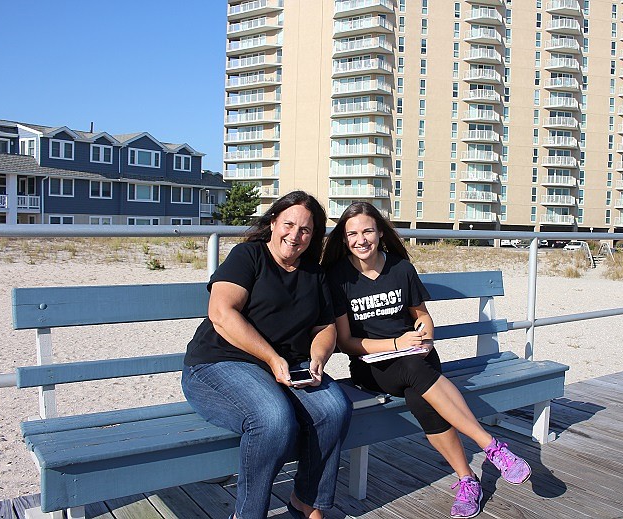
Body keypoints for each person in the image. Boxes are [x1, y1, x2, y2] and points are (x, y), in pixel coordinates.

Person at [321, 202, 530, 519]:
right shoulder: (338, 279)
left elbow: (422, 317)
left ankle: (467, 480)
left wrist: (424, 338)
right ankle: (491, 447)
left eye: (367, 231)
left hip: (416, 357)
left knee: (420, 397)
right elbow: (348, 343)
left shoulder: (400, 268)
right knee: (412, 370)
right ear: (344, 238)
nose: (360, 239)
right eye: (352, 233)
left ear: (379, 232)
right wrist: (395, 343)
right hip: (373, 367)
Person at [182, 191, 352, 519]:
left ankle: (305, 502)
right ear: (273, 222)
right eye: (288, 224)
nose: (295, 235)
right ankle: (249, 514)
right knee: (272, 419)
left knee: (335, 408)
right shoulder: (249, 256)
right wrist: (273, 359)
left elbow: (325, 328)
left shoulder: (314, 275)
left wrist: (317, 358)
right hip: (220, 364)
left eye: (306, 230)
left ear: (314, 235)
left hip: (289, 367)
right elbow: (221, 312)